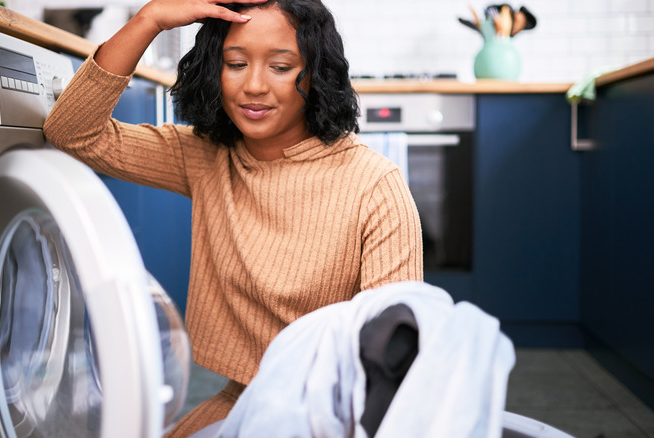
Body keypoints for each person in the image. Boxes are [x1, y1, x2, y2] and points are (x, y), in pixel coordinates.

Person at [43, 0, 423, 436]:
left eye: (281, 67)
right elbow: (73, 131)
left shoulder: (375, 186)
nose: (254, 86)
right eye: (236, 63)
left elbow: (394, 362)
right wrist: (151, 18)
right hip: (242, 397)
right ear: (214, 70)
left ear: (316, 74)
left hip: (338, 415)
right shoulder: (205, 156)